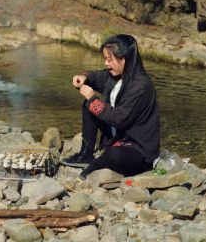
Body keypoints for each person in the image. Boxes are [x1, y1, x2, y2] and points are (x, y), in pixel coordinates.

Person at [61, 34, 160, 179]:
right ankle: (86, 154)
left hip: (138, 147)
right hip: (118, 137)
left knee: (115, 155)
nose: (106, 63)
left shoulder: (140, 86)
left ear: (124, 59)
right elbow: (97, 76)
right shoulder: (116, 75)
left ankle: (93, 167)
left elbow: (119, 119)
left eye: (110, 59)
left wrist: (92, 98)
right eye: (105, 59)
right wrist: (84, 78)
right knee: (89, 106)